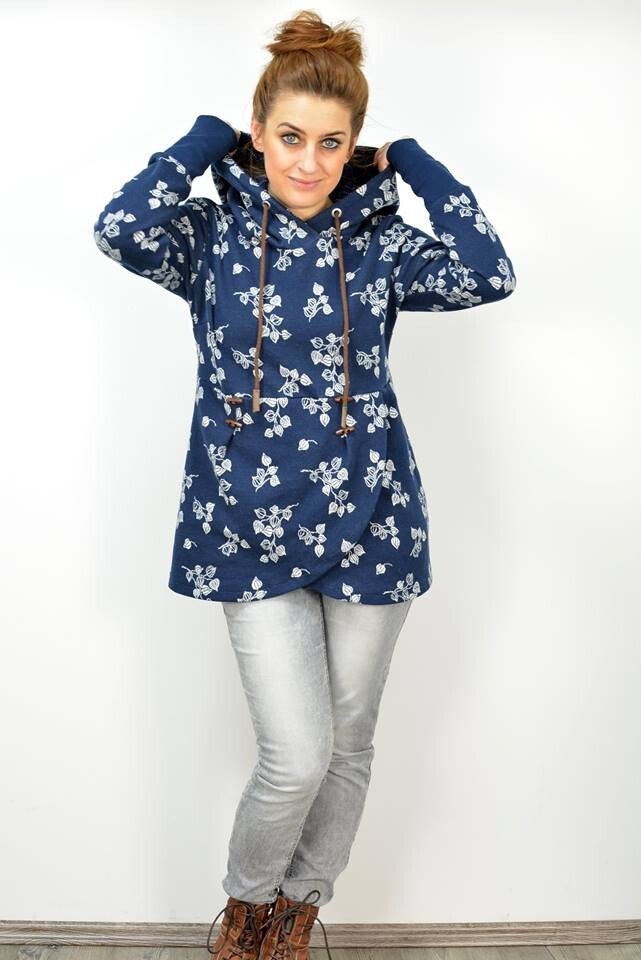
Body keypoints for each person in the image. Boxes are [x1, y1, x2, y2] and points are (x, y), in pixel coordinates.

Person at [93, 8, 517, 960]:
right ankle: (246, 906)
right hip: (241, 519)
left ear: (353, 145)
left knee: (350, 741)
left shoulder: (381, 242)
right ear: (259, 133)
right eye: (289, 137)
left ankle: (297, 913)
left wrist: (416, 163)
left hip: (374, 517)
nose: (308, 162)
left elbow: (488, 272)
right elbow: (118, 228)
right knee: (296, 754)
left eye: (331, 143)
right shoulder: (208, 234)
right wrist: (202, 140)